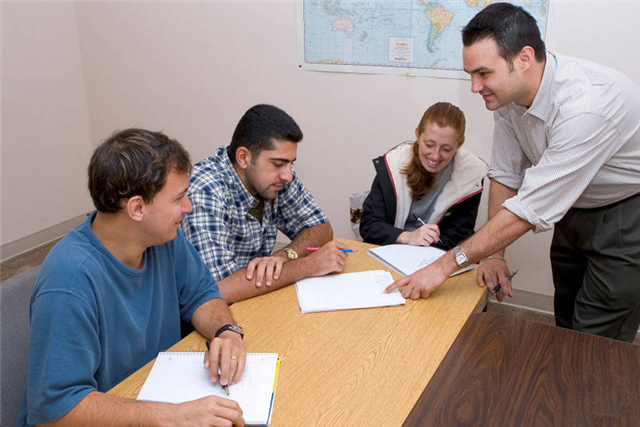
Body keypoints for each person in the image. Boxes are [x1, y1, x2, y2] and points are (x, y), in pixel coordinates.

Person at [385, 3, 640, 342]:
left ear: (524, 58)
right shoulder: (508, 98)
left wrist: (443, 267)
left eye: (484, 73)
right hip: (574, 206)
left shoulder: (586, 108)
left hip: (626, 215)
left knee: (595, 336)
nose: (475, 87)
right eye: (471, 75)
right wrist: (493, 254)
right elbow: (506, 175)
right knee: (566, 317)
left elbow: (529, 208)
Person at [19, 129, 248, 426]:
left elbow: (201, 293)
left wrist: (226, 331)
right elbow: (57, 408)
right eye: (179, 198)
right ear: (137, 208)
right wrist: (174, 416)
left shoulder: (164, 238)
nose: (188, 207)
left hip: (146, 393)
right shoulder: (69, 282)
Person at [182, 104, 347, 304]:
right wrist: (306, 266)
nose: (288, 175)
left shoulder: (275, 178)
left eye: (291, 163)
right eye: (278, 164)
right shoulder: (205, 191)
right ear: (244, 158)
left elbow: (320, 227)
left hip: (254, 301)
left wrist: (285, 256)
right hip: (202, 321)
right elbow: (220, 290)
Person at [359, 102, 488, 249]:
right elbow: (369, 225)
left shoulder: (470, 177)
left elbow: (458, 237)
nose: (435, 155)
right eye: (429, 144)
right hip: (390, 250)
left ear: (458, 145)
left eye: (446, 149)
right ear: (418, 134)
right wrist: (408, 237)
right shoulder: (393, 165)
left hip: (436, 258)